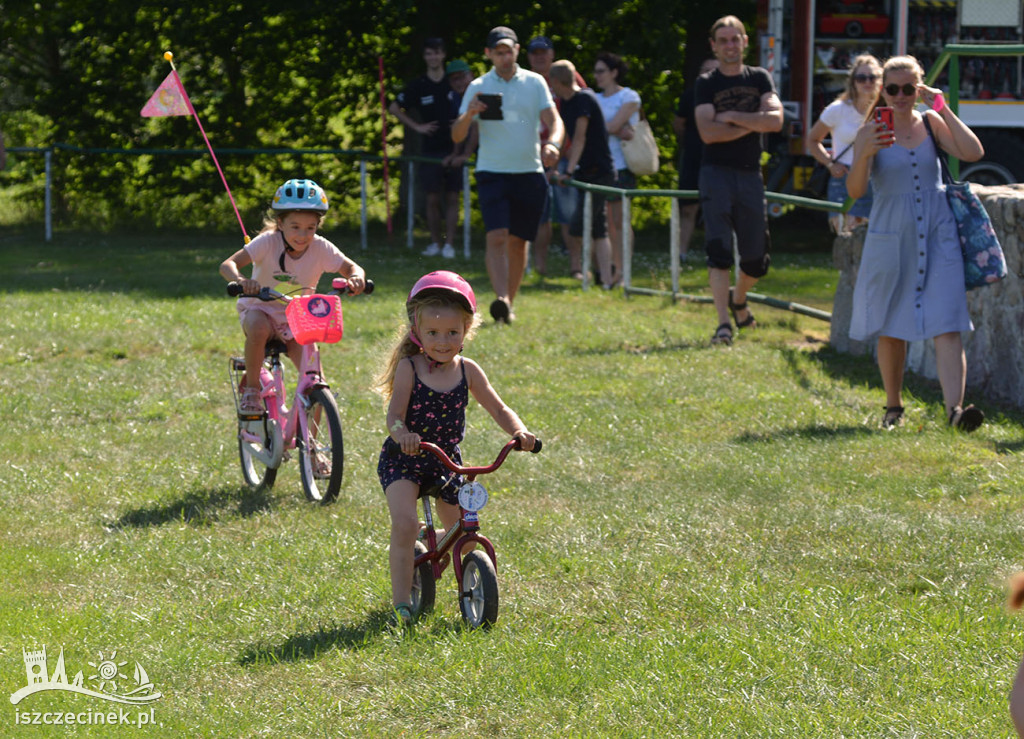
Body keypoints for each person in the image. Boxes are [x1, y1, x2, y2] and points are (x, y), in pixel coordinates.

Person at [373, 271, 537, 625]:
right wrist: (403, 435)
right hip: (406, 459)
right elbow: (394, 416)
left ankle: (463, 582)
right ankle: (402, 602)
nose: (443, 341)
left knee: (463, 531)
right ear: (417, 332)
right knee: (403, 523)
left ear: (467, 329)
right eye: (433, 333)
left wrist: (519, 431)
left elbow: (498, 407)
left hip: (447, 462)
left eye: (452, 332)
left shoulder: (469, 371)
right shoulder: (410, 367)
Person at [846, 55, 986, 431]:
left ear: (920, 87)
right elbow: (856, 190)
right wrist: (866, 153)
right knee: (892, 324)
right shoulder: (869, 131)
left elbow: (973, 153)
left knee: (948, 320)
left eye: (909, 88)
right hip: (892, 234)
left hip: (939, 231)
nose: (901, 96)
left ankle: (955, 411)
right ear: (882, 91)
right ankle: (893, 407)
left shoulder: (932, 122)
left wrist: (943, 107)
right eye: (892, 89)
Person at [219, 179, 367, 413]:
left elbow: (352, 268)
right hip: (260, 309)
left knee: (316, 382)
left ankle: (315, 448)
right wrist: (241, 281)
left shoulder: (321, 247)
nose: (303, 234)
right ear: (280, 223)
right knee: (258, 329)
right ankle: (252, 391)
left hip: (299, 318)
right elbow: (228, 264)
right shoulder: (268, 242)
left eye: (311, 227)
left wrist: (356, 278)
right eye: (295, 226)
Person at [452, 26, 564, 323]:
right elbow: (456, 135)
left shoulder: (535, 81)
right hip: (492, 172)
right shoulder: (478, 85)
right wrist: (469, 114)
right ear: (489, 54)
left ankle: (507, 305)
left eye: (509, 50)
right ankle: (500, 296)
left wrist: (553, 143)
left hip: (530, 172)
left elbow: (555, 121)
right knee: (497, 236)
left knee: (518, 242)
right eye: (498, 51)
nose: (504, 56)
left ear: (517, 51)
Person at [694, 15, 784, 346]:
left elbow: (775, 121)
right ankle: (722, 325)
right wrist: (754, 122)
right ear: (714, 46)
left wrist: (731, 116)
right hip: (715, 173)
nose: (731, 45)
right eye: (724, 40)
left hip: (750, 175)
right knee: (718, 249)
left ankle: (739, 298)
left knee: (756, 258)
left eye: (736, 39)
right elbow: (708, 132)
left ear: (745, 42)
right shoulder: (706, 83)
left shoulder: (760, 78)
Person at [389, 37, 459, 259]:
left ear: (443, 55)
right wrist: (417, 126)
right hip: (430, 150)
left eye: (437, 53)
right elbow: (394, 107)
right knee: (432, 198)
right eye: (429, 53)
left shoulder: (453, 82)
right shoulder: (418, 85)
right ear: (424, 57)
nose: (433, 57)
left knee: (453, 197)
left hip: (456, 148)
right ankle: (436, 243)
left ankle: (450, 245)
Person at [525, 35, 587, 279]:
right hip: (532, 156)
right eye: (535, 52)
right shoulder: (525, 80)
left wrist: (572, 148)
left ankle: (576, 266)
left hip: (563, 155)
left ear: (551, 54)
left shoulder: (565, 74)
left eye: (544, 51)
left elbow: (583, 107)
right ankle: (540, 267)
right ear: (528, 56)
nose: (539, 56)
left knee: (569, 213)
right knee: (539, 214)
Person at [548, 59, 615, 287]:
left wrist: (566, 171)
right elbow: (565, 138)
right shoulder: (564, 103)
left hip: (600, 172)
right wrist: (555, 166)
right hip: (585, 172)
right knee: (599, 228)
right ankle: (606, 278)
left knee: (579, 226)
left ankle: (596, 273)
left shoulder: (584, 98)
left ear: (556, 81)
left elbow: (579, 137)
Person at [806, 54, 882, 234]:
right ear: (853, 81)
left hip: (876, 177)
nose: (867, 82)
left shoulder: (884, 111)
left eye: (872, 77)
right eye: (862, 77)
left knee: (873, 238)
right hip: (844, 177)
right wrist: (830, 163)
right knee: (846, 238)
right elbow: (812, 139)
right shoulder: (838, 109)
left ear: (880, 81)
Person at [594, 51, 641, 286]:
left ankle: (623, 272)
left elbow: (610, 127)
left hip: (622, 167)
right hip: (601, 167)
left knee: (621, 221)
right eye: (595, 71)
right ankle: (615, 270)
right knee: (608, 223)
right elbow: (611, 127)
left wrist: (605, 127)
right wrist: (612, 127)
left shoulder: (630, 96)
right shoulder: (595, 97)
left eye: (602, 71)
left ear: (614, 72)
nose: (597, 76)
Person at [673, 58, 719, 261]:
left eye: (712, 70)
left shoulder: (728, 97)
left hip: (719, 159)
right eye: (704, 70)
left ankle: (715, 252)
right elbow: (679, 124)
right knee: (688, 208)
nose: (708, 74)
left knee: (717, 208)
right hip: (692, 158)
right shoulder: (690, 95)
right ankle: (681, 252)